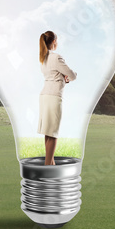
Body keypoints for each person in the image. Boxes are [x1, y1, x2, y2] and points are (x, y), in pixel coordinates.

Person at [37, 30, 78, 166]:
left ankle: (51, 163)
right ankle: (48, 165)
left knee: (47, 132)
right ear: (54, 41)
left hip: (44, 96)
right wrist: (69, 77)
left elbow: (54, 75)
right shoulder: (56, 57)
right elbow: (71, 74)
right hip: (54, 96)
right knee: (53, 132)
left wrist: (63, 78)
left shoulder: (43, 58)